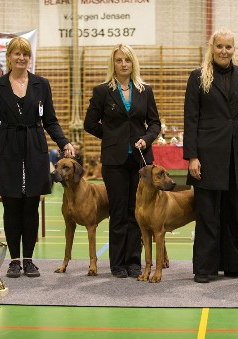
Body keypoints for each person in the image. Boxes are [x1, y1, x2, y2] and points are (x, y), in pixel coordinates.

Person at [0, 37, 75, 278]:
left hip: (35, 148)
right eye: (17, 54)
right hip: (6, 150)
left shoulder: (41, 85)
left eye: (25, 54)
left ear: (29, 57)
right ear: (9, 56)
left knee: (31, 206)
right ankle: (14, 260)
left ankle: (29, 259)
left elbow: (50, 120)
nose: (21, 58)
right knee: (11, 206)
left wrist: (64, 142)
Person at [183, 29, 238, 283]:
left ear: (234, 49)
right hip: (207, 157)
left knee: (232, 214)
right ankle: (204, 268)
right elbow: (191, 119)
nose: (224, 51)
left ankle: (232, 263)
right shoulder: (197, 77)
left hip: (237, 159)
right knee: (207, 214)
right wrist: (192, 156)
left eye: (229, 47)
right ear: (211, 47)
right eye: (220, 46)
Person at [84, 44, 161, 279]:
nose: (123, 64)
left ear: (133, 62)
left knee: (136, 213)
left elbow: (155, 124)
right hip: (114, 161)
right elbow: (89, 124)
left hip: (140, 161)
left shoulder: (144, 91)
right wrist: (111, 137)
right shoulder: (102, 92)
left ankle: (134, 261)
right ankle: (117, 264)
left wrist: (146, 140)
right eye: (119, 60)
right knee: (118, 212)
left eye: (127, 59)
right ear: (113, 64)